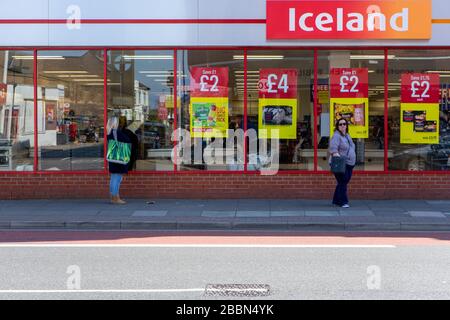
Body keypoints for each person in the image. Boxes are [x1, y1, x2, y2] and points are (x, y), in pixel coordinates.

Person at [329, 118, 356, 208]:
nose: (343, 126)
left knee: (342, 182)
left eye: (344, 124)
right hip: (341, 164)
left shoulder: (347, 135)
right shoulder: (336, 136)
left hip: (350, 163)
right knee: (343, 182)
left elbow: (351, 146)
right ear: (337, 126)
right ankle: (343, 202)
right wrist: (338, 158)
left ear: (346, 125)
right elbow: (333, 148)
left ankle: (336, 201)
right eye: (340, 124)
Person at [107, 117, 131, 205]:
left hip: (112, 159)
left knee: (113, 178)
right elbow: (127, 140)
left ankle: (113, 197)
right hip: (118, 158)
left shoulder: (109, 132)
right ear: (114, 123)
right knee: (117, 179)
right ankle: (116, 198)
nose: (118, 124)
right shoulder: (116, 132)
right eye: (117, 122)